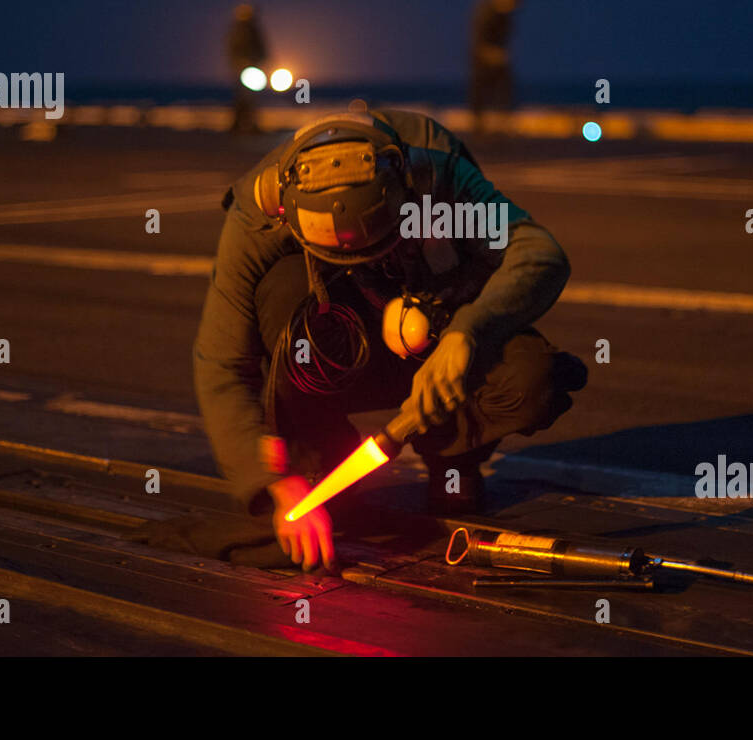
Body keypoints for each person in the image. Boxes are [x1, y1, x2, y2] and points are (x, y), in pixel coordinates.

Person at [192, 107, 586, 572]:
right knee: (282, 294)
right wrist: (275, 482)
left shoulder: (437, 168)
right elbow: (220, 361)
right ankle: (319, 455)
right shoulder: (260, 209)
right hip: (340, 341)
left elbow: (539, 253)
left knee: (529, 377)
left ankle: (452, 455)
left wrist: (466, 332)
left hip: (437, 323)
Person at [468, 0, 521, 131]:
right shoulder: (486, 12)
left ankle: (502, 119)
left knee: (503, 89)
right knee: (480, 89)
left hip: (498, 57)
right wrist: (491, 53)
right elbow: (478, 38)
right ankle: (478, 123)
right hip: (481, 58)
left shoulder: (505, 15)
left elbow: (504, 37)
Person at [226, 3, 267, 134]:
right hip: (244, 69)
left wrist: (261, 61)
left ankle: (247, 125)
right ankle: (239, 125)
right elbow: (233, 50)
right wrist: (240, 64)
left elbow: (262, 49)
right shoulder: (238, 30)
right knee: (244, 97)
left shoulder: (253, 29)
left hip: (252, 68)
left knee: (249, 98)